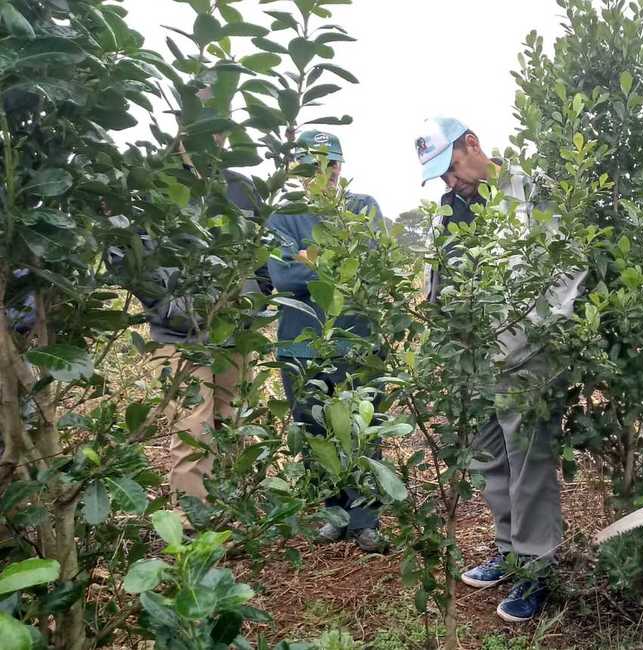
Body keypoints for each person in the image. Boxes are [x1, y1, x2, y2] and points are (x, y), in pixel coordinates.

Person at [415, 117, 585, 622]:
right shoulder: (449, 210)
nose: (449, 182)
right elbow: (438, 282)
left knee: (528, 465)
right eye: (439, 176)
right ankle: (510, 552)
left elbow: (566, 264)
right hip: (474, 363)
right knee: (492, 461)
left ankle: (537, 570)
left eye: (450, 169)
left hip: (526, 358)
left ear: (472, 145)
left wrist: (528, 333)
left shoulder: (529, 190)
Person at [109, 80, 264, 507]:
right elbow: (122, 251)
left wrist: (255, 299)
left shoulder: (240, 186)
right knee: (193, 429)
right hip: (180, 334)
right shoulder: (153, 183)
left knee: (231, 419)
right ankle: (198, 531)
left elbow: (262, 252)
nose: (217, 131)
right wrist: (167, 305)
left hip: (232, 330)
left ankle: (232, 515)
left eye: (223, 120)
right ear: (184, 119)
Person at [267, 129, 388, 553]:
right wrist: (340, 258)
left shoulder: (363, 207)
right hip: (301, 348)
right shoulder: (282, 217)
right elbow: (282, 277)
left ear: (341, 166)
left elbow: (373, 265)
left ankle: (365, 520)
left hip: (358, 346)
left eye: (332, 162)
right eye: (313, 163)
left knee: (364, 432)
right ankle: (331, 515)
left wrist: (311, 258)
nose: (325, 172)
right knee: (314, 433)